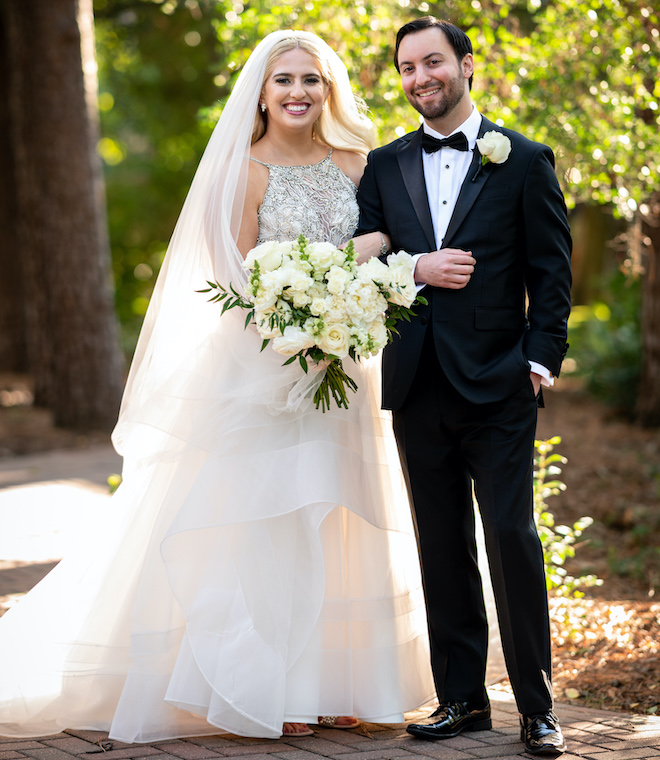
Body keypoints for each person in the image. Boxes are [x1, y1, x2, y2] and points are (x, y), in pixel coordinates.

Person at [0, 31, 435, 742]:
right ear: (260, 93)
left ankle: (338, 684)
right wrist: (299, 317)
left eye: (312, 81)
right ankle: (271, 688)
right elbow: (236, 280)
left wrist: (351, 302)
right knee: (273, 524)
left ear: (329, 90)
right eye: (284, 80)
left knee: (339, 518)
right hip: (268, 372)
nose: (298, 93)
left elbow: (388, 246)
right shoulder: (245, 172)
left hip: (349, 370)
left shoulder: (359, 164)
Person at [356, 17, 572, 755]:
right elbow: (360, 267)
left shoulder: (524, 159)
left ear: (466, 65)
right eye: (407, 68)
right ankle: (462, 701)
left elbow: (551, 273)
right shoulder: (382, 167)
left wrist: (538, 361)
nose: (420, 78)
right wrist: (415, 268)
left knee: (513, 541)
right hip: (417, 383)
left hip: (501, 385)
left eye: (433, 62)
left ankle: (539, 708)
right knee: (440, 544)